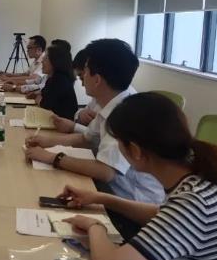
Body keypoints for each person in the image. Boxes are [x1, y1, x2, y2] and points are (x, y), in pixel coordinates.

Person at [60, 92, 217, 260]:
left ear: (135, 150)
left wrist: (95, 226)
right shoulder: (196, 178)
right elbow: (162, 214)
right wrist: (101, 198)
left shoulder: (195, 204)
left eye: (118, 143)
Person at [25, 39, 164, 204]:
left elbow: (105, 172)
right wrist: (48, 141)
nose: (82, 77)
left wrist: (52, 157)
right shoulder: (109, 101)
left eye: (85, 70)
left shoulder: (125, 113)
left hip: (131, 203)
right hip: (111, 190)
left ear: (97, 80)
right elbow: (86, 138)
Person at [35, 45, 78, 119]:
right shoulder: (52, 78)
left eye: (46, 58)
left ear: (55, 61)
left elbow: (45, 104)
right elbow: (42, 94)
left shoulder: (60, 80)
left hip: (62, 123)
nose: (42, 61)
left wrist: (39, 100)